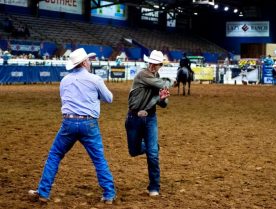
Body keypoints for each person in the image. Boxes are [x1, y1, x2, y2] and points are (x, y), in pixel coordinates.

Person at [28, 48, 116, 204]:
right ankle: (109, 194)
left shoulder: (65, 80)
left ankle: (43, 192)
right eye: (88, 60)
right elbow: (109, 98)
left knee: (54, 155)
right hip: (89, 123)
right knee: (99, 159)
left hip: (68, 122)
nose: (90, 62)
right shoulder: (95, 79)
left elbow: (65, 100)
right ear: (83, 62)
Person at [125, 50, 171, 197]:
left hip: (150, 118)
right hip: (134, 118)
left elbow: (164, 104)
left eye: (156, 64)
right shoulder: (143, 75)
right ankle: (152, 147)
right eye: (151, 62)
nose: (153, 65)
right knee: (134, 150)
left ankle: (154, 187)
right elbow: (166, 84)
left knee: (152, 154)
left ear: (159, 65)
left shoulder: (155, 79)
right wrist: (168, 84)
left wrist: (163, 99)